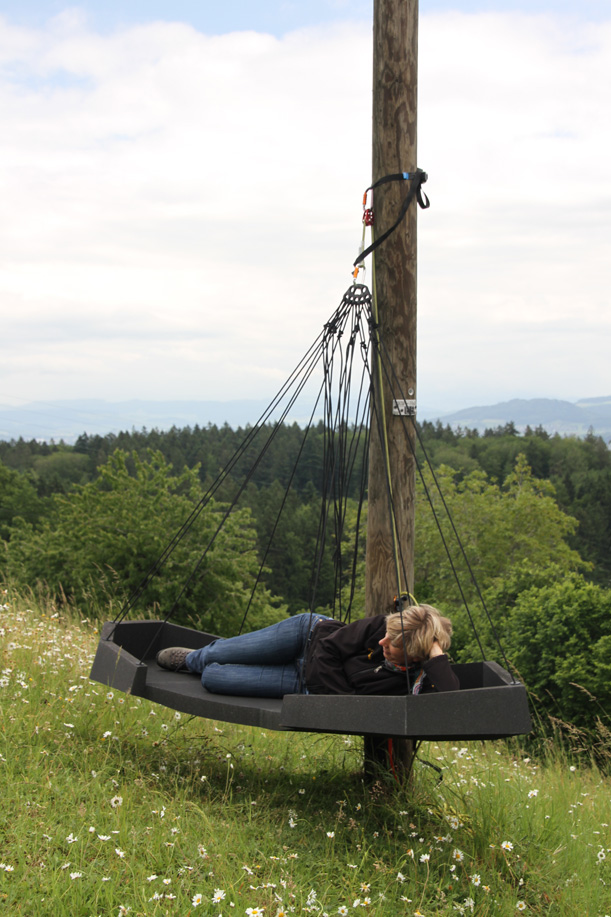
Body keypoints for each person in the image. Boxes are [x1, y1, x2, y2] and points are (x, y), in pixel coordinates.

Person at [156, 603, 460, 698]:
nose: (382, 642)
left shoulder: (415, 682)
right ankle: (192, 658)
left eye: (391, 645)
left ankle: (206, 664)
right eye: (385, 637)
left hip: (306, 684)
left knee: (214, 680)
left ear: (415, 655)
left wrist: (435, 651)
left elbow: (450, 702)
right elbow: (329, 647)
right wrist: (347, 698)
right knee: (213, 657)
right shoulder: (384, 627)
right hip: (307, 636)